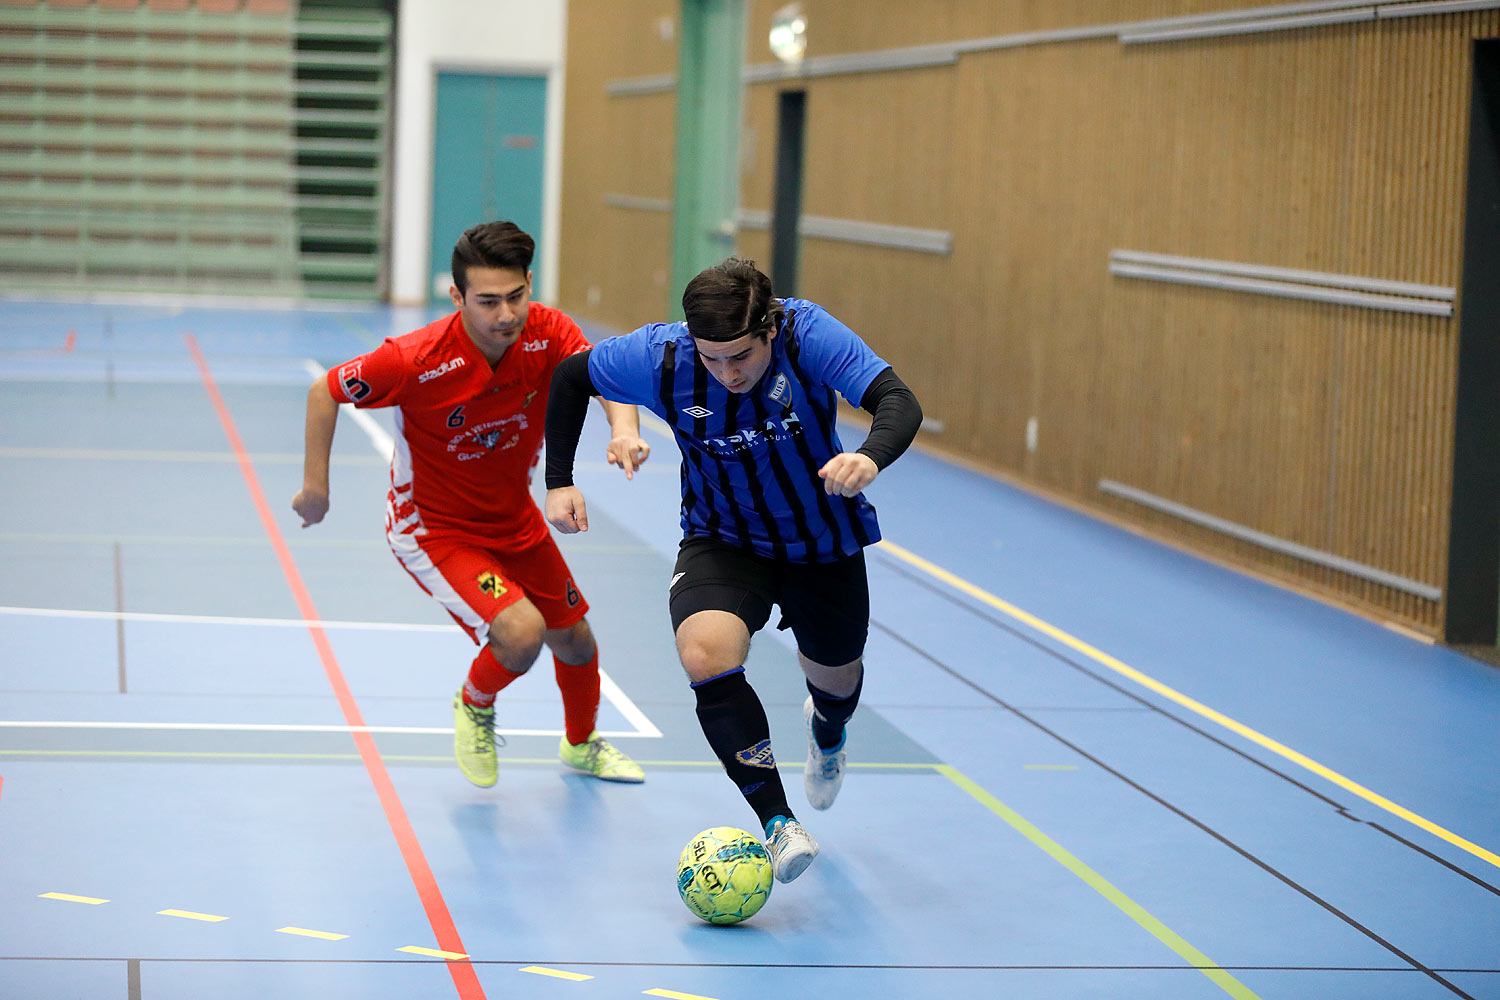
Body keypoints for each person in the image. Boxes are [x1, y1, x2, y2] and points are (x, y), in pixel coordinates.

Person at [542, 257, 922, 883]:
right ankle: (777, 822)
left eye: (741, 356)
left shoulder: (806, 334)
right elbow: (570, 377)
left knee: (835, 682)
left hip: (820, 538)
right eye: (711, 358)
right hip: (723, 536)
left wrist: (869, 458)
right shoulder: (660, 355)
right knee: (704, 650)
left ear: (769, 330)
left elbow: (897, 401)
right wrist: (559, 482)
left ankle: (827, 732)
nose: (727, 373)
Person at [291, 221, 652, 788]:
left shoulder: (548, 332)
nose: (505, 314)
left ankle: (581, 745)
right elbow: (326, 391)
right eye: (487, 301)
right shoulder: (412, 359)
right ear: (457, 296)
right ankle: (474, 704)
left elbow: (603, 377)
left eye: (515, 296)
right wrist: (317, 488)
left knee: (577, 641)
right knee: (521, 633)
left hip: (515, 521)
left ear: (529, 284)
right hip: (435, 532)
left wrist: (623, 429)